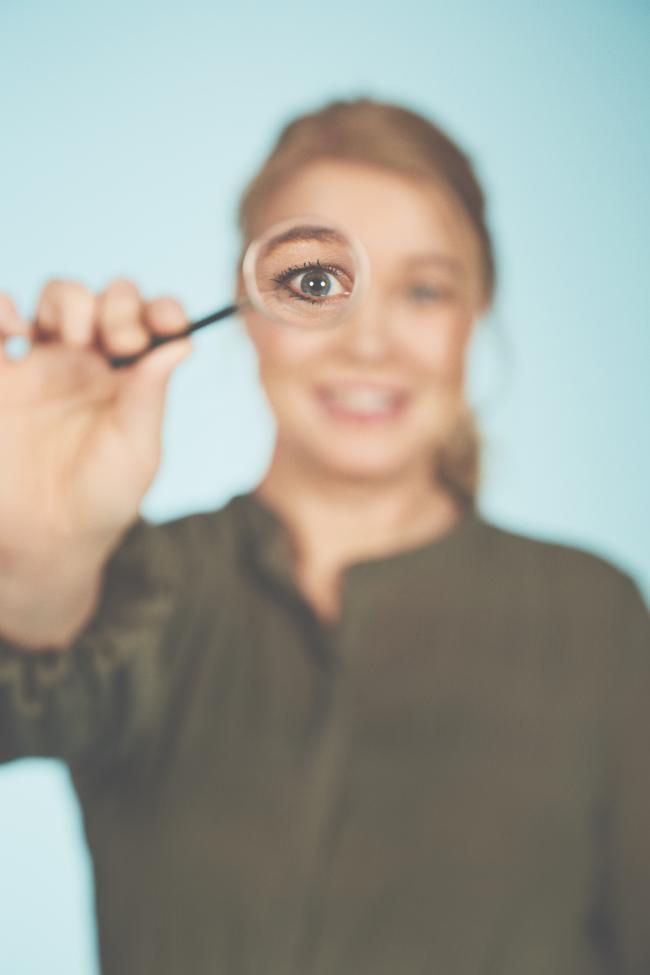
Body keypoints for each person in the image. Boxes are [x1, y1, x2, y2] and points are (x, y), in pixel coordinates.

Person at [0, 97, 648, 975]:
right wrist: (34, 554)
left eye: (424, 290)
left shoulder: (594, 618)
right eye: (314, 284)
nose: (369, 341)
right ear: (249, 305)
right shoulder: (147, 586)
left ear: (477, 312)